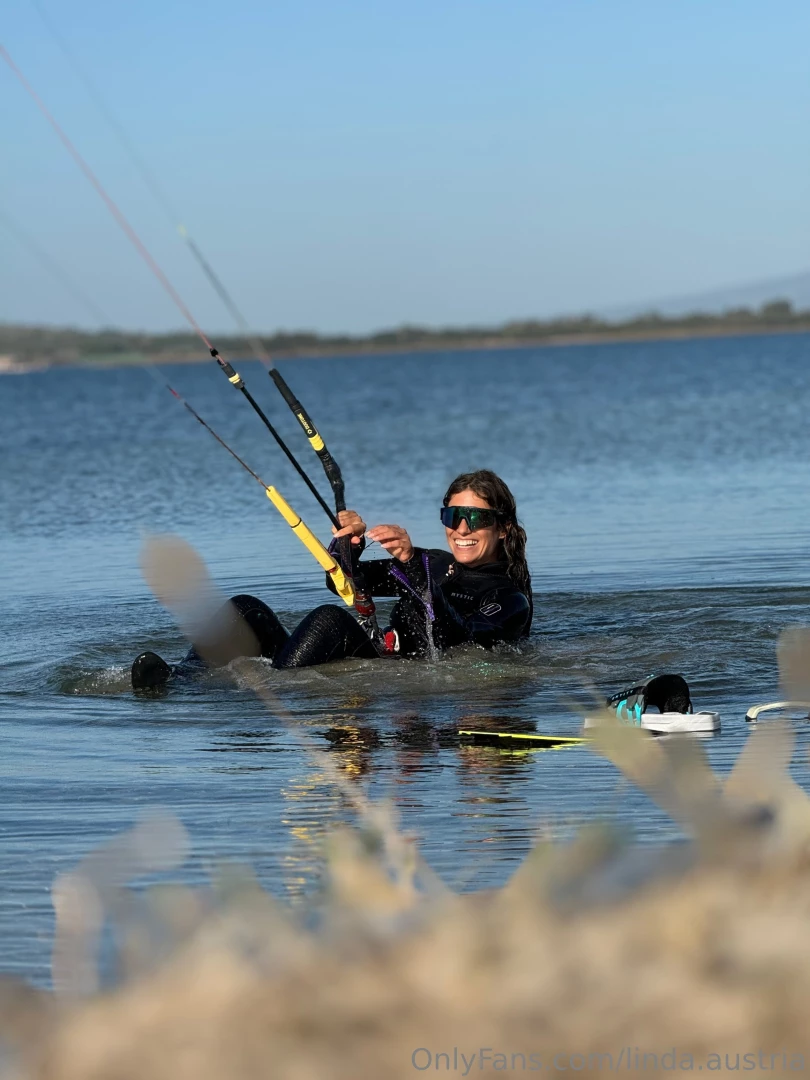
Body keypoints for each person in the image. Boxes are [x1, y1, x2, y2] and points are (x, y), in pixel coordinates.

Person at [131, 469, 532, 690]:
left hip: (405, 668)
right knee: (244, 608)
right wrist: (350, 543)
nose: (461, 528)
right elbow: (344, 582)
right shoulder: (437, 563)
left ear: (503, 528)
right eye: (452, 516)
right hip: (375, 654)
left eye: (476, 518)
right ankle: (179, 680)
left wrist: (411, 564)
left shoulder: (509, 599)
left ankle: (269, 686)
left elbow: (464, 640)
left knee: (329, 620)